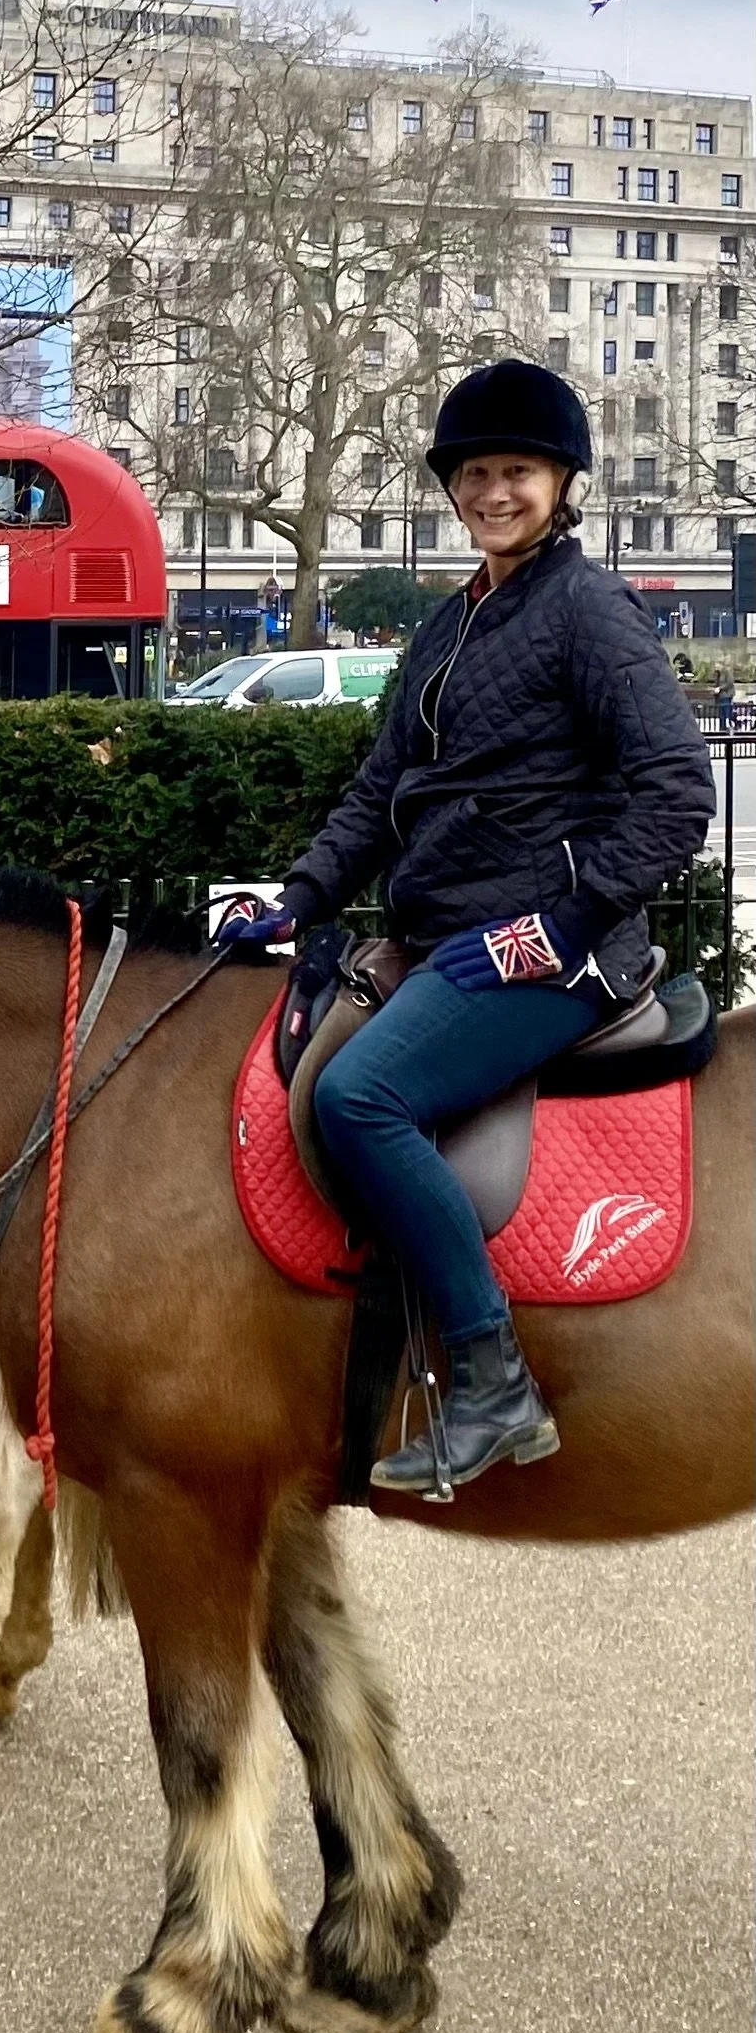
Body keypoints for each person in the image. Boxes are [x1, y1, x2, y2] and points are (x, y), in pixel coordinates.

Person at [224, 360, 716, 1495]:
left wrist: (567, 923)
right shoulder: (451, 621)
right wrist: (297, 895)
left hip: (554, 951)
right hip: (447, 936)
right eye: (476, 473)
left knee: (361, 1096)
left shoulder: (588, 611)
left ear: (562, 483)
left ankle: (494, 1382)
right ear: (453, 487)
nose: (495, 492)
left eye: (519, 472)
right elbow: (380, 787)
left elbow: (677, 790)